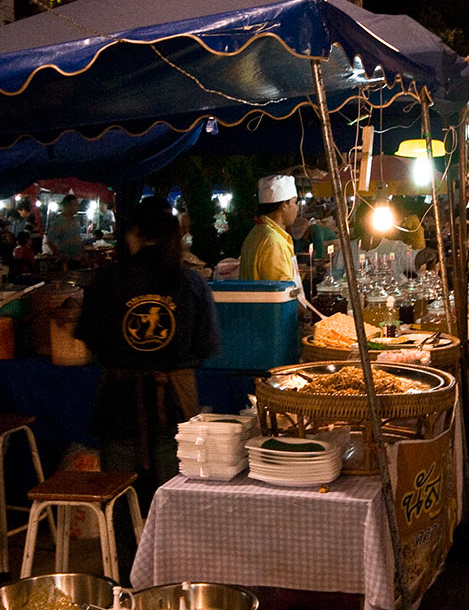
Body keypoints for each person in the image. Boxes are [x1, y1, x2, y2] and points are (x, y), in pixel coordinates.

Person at [75, 197, 219, 553]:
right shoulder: (192, 283)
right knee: (176, 498)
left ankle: (126, 579)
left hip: (119, 404)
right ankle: (178, 579)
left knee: (120, 499)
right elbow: (207, 347)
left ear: (133, 234)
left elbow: (90, 346)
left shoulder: (106, 282)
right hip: (175, 406)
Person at [238, 175, 298, 281]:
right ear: (284, 205)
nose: (297, 208)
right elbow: (281, 291)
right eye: (294, 202)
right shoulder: (273, 242)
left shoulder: (257, 231)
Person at [45, 194, 84, 267]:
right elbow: (50, 241)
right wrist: (60, 256)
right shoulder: (59, 222)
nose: (77, 207)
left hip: (78, 259)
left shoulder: (76, 220)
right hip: (67, 261)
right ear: (68, 206)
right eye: (75, 205)